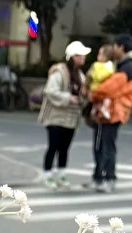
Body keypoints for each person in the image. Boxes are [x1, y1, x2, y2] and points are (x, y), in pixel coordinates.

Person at [88, 33, 132, 193]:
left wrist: (94, 93)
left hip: (112, 113)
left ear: (121, 47)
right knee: (101, 145)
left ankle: (108, 178)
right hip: (111, 111)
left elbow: (109, 88)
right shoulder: (122, 65)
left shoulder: (127, 67)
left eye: (115, 46)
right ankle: (99, 177)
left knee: (106, 146)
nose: (113, 49)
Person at [38, 41, 90, 185]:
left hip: (72, 117)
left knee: (65, 148)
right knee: (53, 146)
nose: (84, 58)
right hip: (56, 116)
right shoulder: (60, 72)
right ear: (74, 57)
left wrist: (84, 96)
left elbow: (83, 95)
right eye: (81, 55)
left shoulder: (80, 75)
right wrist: (68, 98)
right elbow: (50, 91)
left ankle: (61, 173)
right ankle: (47, 174)